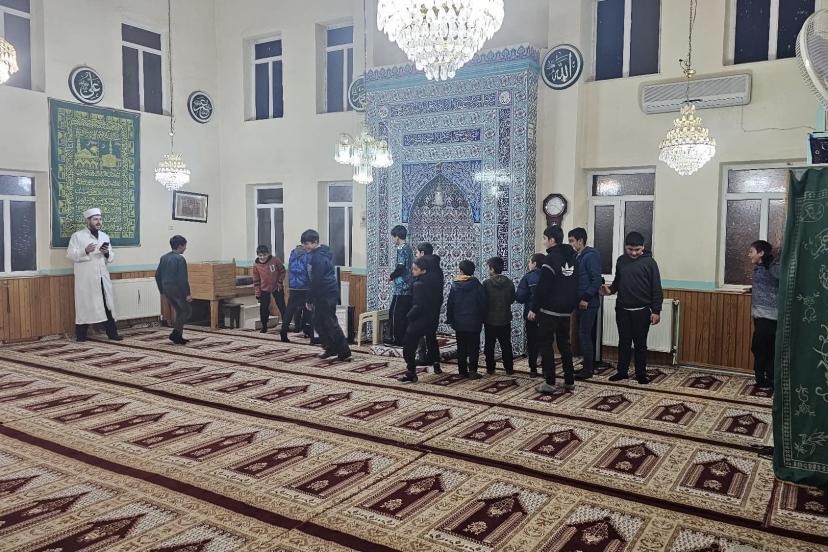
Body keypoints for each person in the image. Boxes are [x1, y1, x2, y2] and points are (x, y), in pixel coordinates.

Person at [600, 231, 663, 385]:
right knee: (624, 342)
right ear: (625, 247)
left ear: (643, 247)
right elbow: (617, 283)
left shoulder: (650, 263)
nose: (634, 253)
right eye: (630, 249)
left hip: (642, 311)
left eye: (637, 249)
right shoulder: (621, 261)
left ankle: (641, 374)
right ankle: (622, 372)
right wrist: (609, 290)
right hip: (622, 310)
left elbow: (656, 288)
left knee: (640, 344)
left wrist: (656, 311)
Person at [529, 225, 579, 393]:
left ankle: (549, 382)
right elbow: (576, 284)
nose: (544, 242)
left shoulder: (550, 259)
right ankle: (570, 381)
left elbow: (543, 287)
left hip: (549, 310)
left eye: (544, 239)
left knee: (545, 344)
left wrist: (534, 308)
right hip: (566, 311)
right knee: (565, 345)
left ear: (552, 240)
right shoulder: (573, 259)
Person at [66, 208, 122, 342]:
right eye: (95, 219)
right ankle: (81, 336)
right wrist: (85, 250)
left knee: (107, 304)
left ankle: (112, 334)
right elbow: (70, 255)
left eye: (100, 219)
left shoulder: (104, 236)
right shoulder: (77, 236)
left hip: (102, 276)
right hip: (86, 278)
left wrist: (106, 253)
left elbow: (111, 256)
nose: (98, 222)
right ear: (88, 221)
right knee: (85, 305)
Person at [301, 229, 351, 361]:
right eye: (303, 244)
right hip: (324, 292)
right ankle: (330, 348)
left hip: (325, 293)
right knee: (318, 322)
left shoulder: (318, 257)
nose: (305, 247)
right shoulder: (321, 253)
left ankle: (344, 351)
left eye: (307, 244)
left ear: (315, 242)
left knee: (330, 322)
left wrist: (309, 298)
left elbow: (316, 279)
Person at [399, 256, 443, 383]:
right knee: (431, 341)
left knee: (408, 346)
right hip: (431, 319)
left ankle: (411, 372)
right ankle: (436, 364)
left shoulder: (419, 284)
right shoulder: (435, 281)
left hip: (419, 321)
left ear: (423, 270)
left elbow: (418, 306)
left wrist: (408, 317)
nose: (413, 271)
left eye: (415, 269)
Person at [568, 228, 604, 380]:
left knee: (584, 335)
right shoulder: (578, 257)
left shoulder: (591, 256)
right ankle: (586, 366)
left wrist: (586, 299)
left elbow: (596, 280)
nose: (571, 244)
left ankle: (588, 370)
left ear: (580, 241)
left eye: (572, 241)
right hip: (579, 302)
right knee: (582, 335)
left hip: (588, 303)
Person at [446, 260, 486, 379]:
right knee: (474, 347)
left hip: (459, 322)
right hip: (474, 321)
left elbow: (450, 304)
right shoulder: (477, 285)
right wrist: (483, 318)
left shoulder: (455, 285)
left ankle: (462, 371)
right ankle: (472, 371)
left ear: (461, 271)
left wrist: (450, 319)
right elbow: (483, 303)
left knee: (461, 347)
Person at [748, 240, 779, 390]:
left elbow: (777, 277)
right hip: (760, 316)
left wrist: (777, 250)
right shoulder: (759, 268)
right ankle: (764, 378)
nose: (749, 255)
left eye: (751, 252)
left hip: (769, 317)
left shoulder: (772, 268)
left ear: (761, 253)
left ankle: (766, 379)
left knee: (762, 349)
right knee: (760, 348)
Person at [155, 235, 192, 345]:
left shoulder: (164, 257)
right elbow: (182, 279)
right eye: (185, 246)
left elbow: (157, 275)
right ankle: (176, 333)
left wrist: (161, 290)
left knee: (180, 311)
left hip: (166, 289)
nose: (186, 248)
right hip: (177, 289)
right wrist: (188, 294)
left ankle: (178, 335)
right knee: (186, 311)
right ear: (180, 246)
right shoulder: (180, 259)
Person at [483, 256, 516, 375]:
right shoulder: (509, 282)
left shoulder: (486, 283)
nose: (487, 270)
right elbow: (512, 299)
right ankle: (509, 368)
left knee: (489, 345)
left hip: (490, 319)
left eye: (488, 267)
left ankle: (490, 368)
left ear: (492, 269)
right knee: (506, 344)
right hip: (505, 318)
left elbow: (483, 301)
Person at [414, 242, 444, 374]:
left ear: (422, 253)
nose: (416, 255)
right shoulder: (437, 268)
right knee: (431, 336)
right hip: (434, 307)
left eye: (417, 252)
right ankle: (435, 362)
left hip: (421, 307)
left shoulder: (422, 268)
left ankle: (419, 359)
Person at [515, 253, 546, 377]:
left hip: (531, 314)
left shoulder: (528, 277)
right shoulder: (550, 276)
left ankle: (533, 369)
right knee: (546, 341)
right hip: (547, 314)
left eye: (529, 262)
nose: (528, 264)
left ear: (534, 263)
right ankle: (546, 369)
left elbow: (520, 297)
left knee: (532, 341)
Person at [281, 243, 313, 342]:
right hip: (305, 287)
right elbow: (310, 272)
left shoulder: (293, 254)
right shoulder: (308, 255)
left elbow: (290, 269)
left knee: (290, 310)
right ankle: (307, 331)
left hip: (293, 287)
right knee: (308, 309)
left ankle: (283, 331)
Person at [252, 245, 286, 335]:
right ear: (257, 255)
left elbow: (283, 271)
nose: (262, 257)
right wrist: (257, 293)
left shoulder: (275, 260)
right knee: (263, 308)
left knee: (281, 305)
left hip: (277, 287)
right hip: (264, 289)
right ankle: (264, 326)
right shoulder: (255, 265)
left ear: (268, 254)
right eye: (260, 255)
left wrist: (279, 282)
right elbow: (256, 280)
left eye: (264, 255)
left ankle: (285, 324)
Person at [388, 225, 413, 346]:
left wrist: (391, 276)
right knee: (403, 313)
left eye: (393, 237)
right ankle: (403, 339)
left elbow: (401, 267)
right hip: (408, 286)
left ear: (397, 237)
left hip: (401, 288)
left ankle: (396, 339)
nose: (393, 240)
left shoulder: (401, 248)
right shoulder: (408, 248)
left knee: (395, 314)